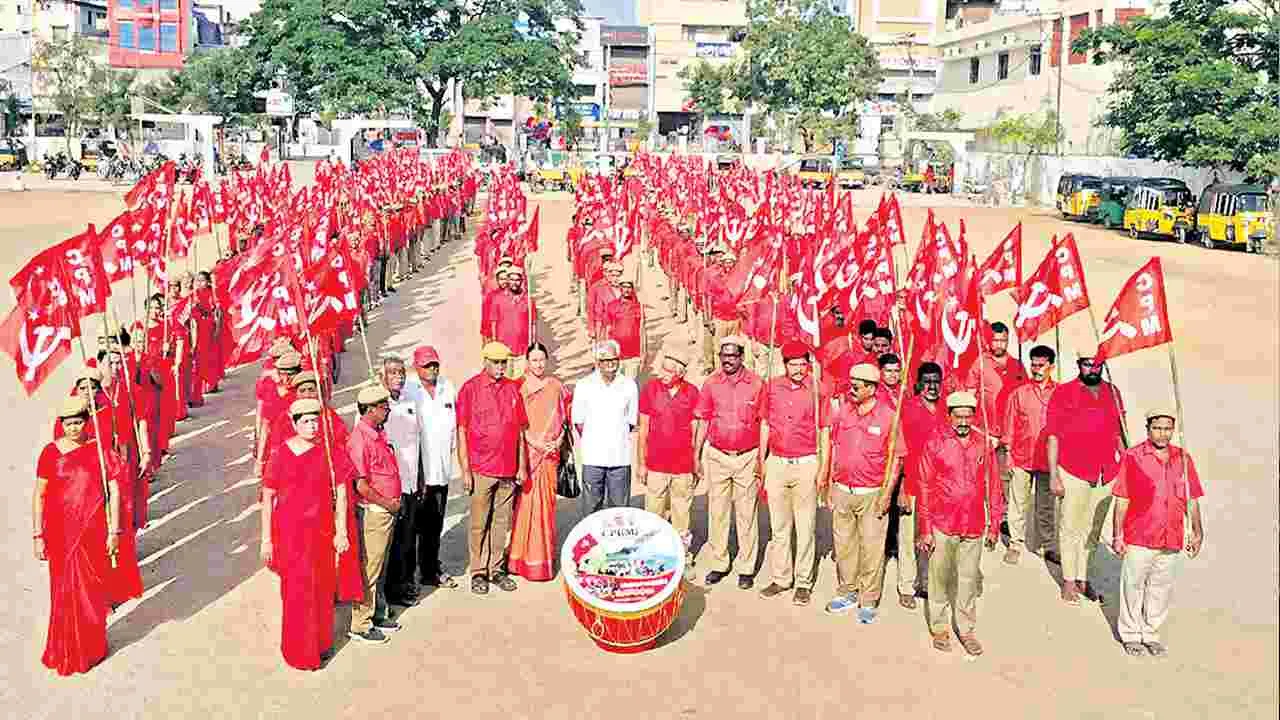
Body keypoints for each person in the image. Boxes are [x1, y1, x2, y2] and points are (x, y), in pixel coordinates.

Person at [261, 398, 356, 670]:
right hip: (290, 536)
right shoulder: (280, 454)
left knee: (322, 589)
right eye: (306, 421)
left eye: (316, 420)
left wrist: (340, 531)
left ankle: (321, 644)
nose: (312, 426)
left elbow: (340, 492)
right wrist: (266, 539)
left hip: (322, 534)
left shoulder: (329, 452)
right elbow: (268, 497)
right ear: (294, 424)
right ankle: (299, 652)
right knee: (296, 593)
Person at [34, 396, 126, 676]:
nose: (74, 428)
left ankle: (91, 647)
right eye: (68, 423)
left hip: (93, 533)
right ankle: (65, 648)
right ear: (61, 425)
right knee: (63, 591)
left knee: (91, 591)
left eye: (78, 422)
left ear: (87, 422)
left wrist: (114, 530)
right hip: (61, 534)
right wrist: (38, 534)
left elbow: (115, 492)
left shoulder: (100, 450)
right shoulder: (50, 453)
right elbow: (39, 495)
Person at [1111, 410, 1205, 657]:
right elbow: (1121, 498)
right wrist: (1117, 535)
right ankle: (1131, 634)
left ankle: (1150, 633)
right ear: (1148, 428)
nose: (1163, 433)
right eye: (1157, 428)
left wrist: (1197, 530)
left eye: (1167, 428)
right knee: (1132, 585)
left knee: (1160, 588)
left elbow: (1191, 499)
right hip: (1140, 535)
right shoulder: (1133, 457)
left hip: (1171, 535)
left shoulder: (1183, 458)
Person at [916, 391, 1002, 656]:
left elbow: (994, 485)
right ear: (949, 415)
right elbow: (924, 485)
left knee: (968, 578)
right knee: (939, 577)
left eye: (968, 416)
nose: (963, 421)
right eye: (958, 416)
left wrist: (995, 522)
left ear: (974, 416)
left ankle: (966, 628)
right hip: (943, 522)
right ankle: (939, 627)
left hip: (974, 523)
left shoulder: (982, 445)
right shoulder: (935, 443)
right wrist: (925, 528)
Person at [821, 364, 905, 623]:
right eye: (850, 384)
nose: (852, 389)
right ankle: (847, 591)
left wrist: (887, 495)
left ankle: (868, 600)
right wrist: (827, 483)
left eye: (857, 386)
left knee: (871, 548)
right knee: (844, 546)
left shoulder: (889, 416)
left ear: (872, 389)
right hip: (843, 489)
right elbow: (832, 446)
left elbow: (897, 461)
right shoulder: (843, 412)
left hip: (872, 493)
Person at [1045, 348, 1126, 606]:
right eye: (1087, 364)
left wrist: (1126, 467)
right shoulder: (1063, 393)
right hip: (1073, 470)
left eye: (1097, 365)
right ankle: (1069, 579)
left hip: (1106, 471)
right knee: (1071, 526)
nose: (1092, 369)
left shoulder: (1113, 392)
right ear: (1078, 364)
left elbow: (1121, 433)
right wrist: (1053, 474)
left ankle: (1082, 577)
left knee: (1092, 529)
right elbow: (1053, 436)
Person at [755, 341, 828, 606]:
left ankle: (803, 581)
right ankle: (781, 578)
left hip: (806, 462)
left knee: (806, 525)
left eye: (802, 364)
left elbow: (825, 431)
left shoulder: (818, 389)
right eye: (792, 364)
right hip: (777, 461)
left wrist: (823, 468)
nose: (798, 369)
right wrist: (762, 462)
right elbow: (764, 424)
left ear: (808, 364)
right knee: (779, 525)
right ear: (784, 364)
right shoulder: (772, 387)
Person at [456, 342, 529, 595]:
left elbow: (520, 430)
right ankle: (477, 571)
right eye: (496, 362)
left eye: (504, 362)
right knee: (479, 523)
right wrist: (465, 470)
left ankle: (496, 568)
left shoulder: (512, 389)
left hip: (508, 468)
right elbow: (462, 430)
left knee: (500, 521)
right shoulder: (470, 389)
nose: (500, 367)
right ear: (485, 361)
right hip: (481, 469)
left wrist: (521, 466)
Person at [694, 335, 764, 589]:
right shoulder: (711, 384)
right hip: (718, 455)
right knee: (718, 512)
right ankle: (719, 563)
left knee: (746, 514)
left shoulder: (756, 384)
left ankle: (746, 567)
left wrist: (761, 460)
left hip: (746, 456)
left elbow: (764, 422)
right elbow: (703, 420)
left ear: (742, 357)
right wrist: (696, 455)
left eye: (733, 356)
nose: (728, 360)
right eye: (724, 356)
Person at [345, 384, 402, 644]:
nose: (387, 409)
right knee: (369, 568)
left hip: (386, 510)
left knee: (380, 567)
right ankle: (361, 624)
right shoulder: (359, 440)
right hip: (375, 512)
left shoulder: (377, 432)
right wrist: (387, 503)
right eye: (383, 406)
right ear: (369, 410)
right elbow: (361, 485)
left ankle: (378, 613)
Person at [508, 342, 567, 581]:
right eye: (534, 360)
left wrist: (559, 440)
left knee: (547, 509)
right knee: (525, 508)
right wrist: (536, 443)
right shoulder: (519, 387)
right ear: (526, 362)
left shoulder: (556, 386)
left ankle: (543, 560)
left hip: (550, 456)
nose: (538, 364)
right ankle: (521, 560)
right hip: (530, 454)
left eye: (542, 360)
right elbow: (517, 425)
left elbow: (564, 419)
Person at [637, 345, 700, 564]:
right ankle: (651, 554)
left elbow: (695, 431)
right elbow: (643, 429)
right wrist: (641, 463)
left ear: (681, 373)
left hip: (682, 466)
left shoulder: (692, 393)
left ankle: (682, 555)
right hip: (655, 465)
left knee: (681, 513)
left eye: (668, 371)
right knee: (653, 513)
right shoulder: (650, 389)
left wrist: (696, 463)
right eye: (662, 369)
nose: (662, 374)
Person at [999, 344, 1059, 566]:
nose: (1036, 369)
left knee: (1046, 505)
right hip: (1022, 458)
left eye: (1041, 365)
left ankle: (1048, 545)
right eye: (1033, 365)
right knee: (1018, 503)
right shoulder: (1019, 394)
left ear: (1051, 366)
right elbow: (1009, 428)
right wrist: (1009, 458)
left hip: (1048, 460)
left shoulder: (1060, 393)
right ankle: (1015, 543)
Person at [895, 362, 946, 610]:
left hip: (940, 487)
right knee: (907, 537)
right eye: (927, 381)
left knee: (932, 538)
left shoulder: (948, 410)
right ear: (918, 383)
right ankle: (906, 585)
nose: (932, 386)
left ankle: (925, 582)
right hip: (913, 482)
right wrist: (903, 484)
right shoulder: (908, 409)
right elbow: (900, 450)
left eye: (937, 381)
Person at [409, 345, 457, 589]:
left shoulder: (448, 387)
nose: (432, 369)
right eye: (427, 365)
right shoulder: (409, 390)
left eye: (435, 364)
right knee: (415, 525)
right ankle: (416, 572)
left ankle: (429, 568)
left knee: (435, 522)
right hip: (418, 473)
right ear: (416, 368)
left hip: (441, 469)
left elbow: (454, 428)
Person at [572, 340, 639, 513]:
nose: (610, 364)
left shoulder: (629, 385)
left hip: (620, 459)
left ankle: (617, 542)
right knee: (591, 510)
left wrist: (615, 436)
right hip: (593, 458)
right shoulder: (584, 386)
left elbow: (631, 422)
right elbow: (578, 422)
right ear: (597, 362)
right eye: (605, 360)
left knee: (619, 511)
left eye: (614, 360)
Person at [380, 357, 425, 607]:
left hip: (410, 481)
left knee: (408, 537)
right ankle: (393, 591)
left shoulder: (409, 402)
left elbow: (416, 441)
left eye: (401, 373)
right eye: (393, 373)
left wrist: (419, 476)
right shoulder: (378, 405)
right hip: (390, 485)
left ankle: (405, 582)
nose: (399, 377)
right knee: (394, 541)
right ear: (383, 377)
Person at [481, 266, 536, 378]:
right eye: (511, 279)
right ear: (508, 280)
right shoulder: (497, 299)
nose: (514, 283)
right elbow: (493, 324)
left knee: (521, 383)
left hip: (522, 351)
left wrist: (533, 346)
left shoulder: (528, 300)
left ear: (521, 281)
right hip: (504, 351)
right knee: (505, 382)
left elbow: (533, 324)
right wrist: (495, 345)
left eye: (517, 280)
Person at [603, 279, 643, 377]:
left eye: (629, 287)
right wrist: (607, 353)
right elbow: (607, 330)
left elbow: (642, 331)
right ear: (620, 288)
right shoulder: (612, 306)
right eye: (624, 287)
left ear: (633, 289)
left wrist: (644, 353)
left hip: (633, 355)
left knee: (630, 385)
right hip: (616, 355)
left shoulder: (639, 307)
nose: (626, 290)